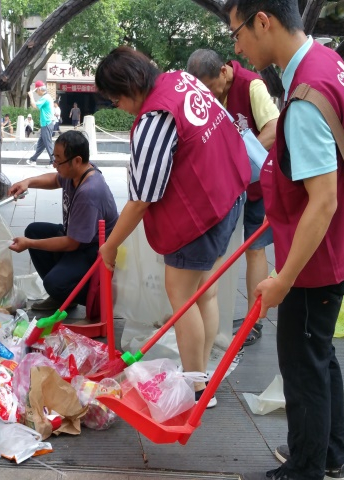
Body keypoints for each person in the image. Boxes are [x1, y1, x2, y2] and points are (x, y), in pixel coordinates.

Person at [225, 1, 344, 479]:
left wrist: (283, 279)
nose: (237, 46)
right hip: (341, 244)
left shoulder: (305, 96)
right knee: (318, 353)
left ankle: (307, 468)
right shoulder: (328, 62)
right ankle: (329, 455)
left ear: (263, 21)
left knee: (302, 362)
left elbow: (323, 203)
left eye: (237, 33)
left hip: (320, 257)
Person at [95, 46, 250, 407]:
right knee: (203, 293)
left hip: (201, 212)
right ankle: (201, 374)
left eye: (115, 98)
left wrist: (110, 246)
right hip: (227, 194)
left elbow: (142, 198)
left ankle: (197, 388)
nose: (117, 106)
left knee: (181, 297)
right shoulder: (181, 81)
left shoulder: (155, 117)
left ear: (130, 86)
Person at [187, 48, 279, 347]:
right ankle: (214, 311)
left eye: (214, 88)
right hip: (231, 184)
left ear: (224, 72)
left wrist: (238, 156)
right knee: (218, 249)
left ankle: (256, 320)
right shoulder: (208, 92)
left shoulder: (252, 85)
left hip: (260, 182)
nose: (212, 95)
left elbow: (274, 128)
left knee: (255, 250)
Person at [9, 131, 119, 310]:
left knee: (53, 283)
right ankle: (62, 294)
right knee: (34, 230)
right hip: (77, 238)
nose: (55, 164)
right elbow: (54, 179)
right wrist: (27, 182)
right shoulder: (75, 173)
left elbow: (71, 244)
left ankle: (85, 298)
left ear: (76, 160)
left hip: (93, 251)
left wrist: (29, 244)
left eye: (58, 160)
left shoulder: (89, 192)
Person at [26, 81, 55, 166]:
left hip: (46, 123)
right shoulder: (47, 97)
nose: (36, 93)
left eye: (36, 91)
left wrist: (31, 96)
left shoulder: (45, 98)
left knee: (48, 143)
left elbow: (34, 106)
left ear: (39, 89)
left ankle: (54, 161)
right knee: (41, 144)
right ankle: (33, 159)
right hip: (46, 124)